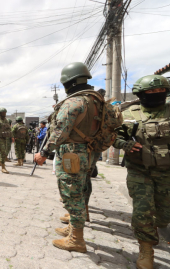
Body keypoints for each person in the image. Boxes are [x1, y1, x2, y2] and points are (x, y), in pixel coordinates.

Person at [34, 62, 101, 253]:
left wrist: (44, 153)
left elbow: (59, 131)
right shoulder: (95, 100)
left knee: (72, 195)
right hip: (89, 151)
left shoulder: (74, 102)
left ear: (67, 83)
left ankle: (76, 240)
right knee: (80, 189)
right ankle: (73, 228)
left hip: (72, 154)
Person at [112, 74, 170, 269]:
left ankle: (155, 231)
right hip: (139, 170)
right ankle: (146, 249)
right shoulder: (130, 114)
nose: (155, 94)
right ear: (142, 94)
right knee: (142, 210)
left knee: (163, 215)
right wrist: (125, 144)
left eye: (159, 90)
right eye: (150, 91)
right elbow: (115, 137)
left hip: (166, 172)